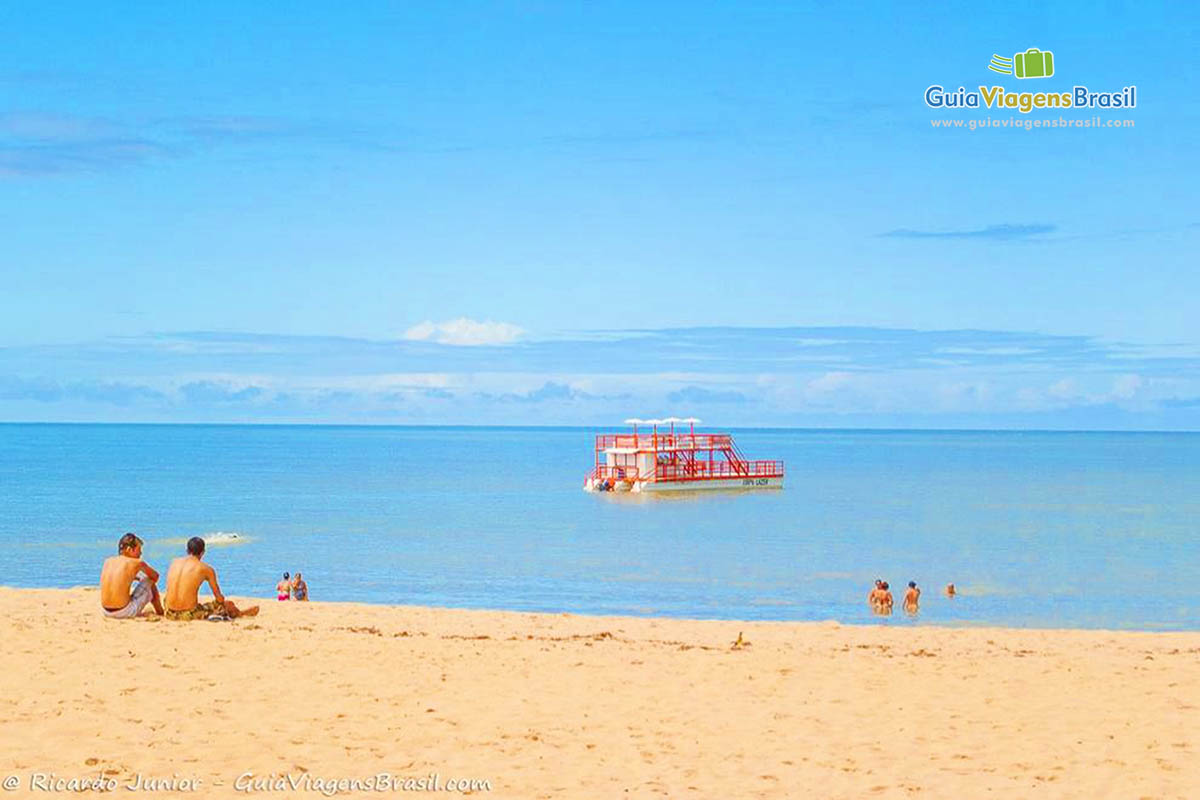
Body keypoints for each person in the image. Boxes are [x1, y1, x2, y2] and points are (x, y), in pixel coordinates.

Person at [164, 537, 258, 620]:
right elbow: (219, 598)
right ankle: (240, 614)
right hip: (188, 614)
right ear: (203, 552)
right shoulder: (206, 569)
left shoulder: (174, 562)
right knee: (228, 604)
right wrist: (222, 601)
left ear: (187, 550)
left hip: (169, 613)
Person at [99, 532, 164, 618]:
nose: (140, 554)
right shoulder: (136, 563)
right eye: (138, 550)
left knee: (142, 578)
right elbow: (155, 576)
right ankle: (161, 613)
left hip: (105, 611)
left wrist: (133, 577)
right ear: (129, 549)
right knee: (149, 579)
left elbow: (119, 578)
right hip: (123, 612)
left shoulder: (108, 561)